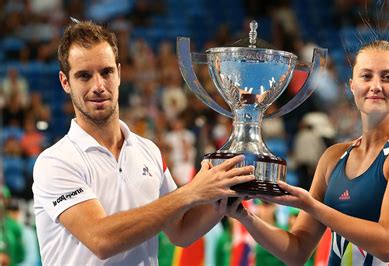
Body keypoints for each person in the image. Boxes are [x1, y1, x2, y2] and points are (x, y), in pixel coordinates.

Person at [32, 21, 254, 265]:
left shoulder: (147, 150)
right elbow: (101, 239)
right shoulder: (54, 162)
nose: (98, 86)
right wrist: (191, 192)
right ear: (65, 82)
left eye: (106, 72)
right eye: (84, 76)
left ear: (118, 73)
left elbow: (180, 230)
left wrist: (224, 197)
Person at [227, 40, 389, 265]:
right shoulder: (333, 157)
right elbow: (296, 252)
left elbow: (387, 245)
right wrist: (243, 215)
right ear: (352, 85)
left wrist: (311, 206)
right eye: (366, 76)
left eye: (387, 77)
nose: (376, 85)